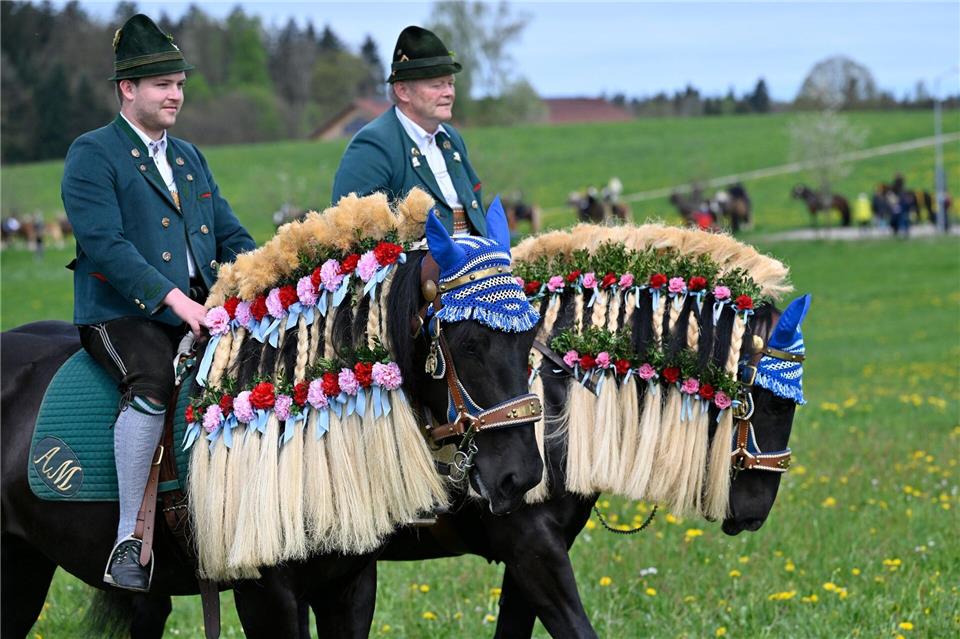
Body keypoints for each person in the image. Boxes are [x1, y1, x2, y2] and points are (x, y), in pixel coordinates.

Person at [61, 14, 255, 592]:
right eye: (163, 85)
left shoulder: (190, 156)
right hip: (120, 313)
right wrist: (176, 302)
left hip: (200, 305)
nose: (176, 95)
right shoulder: (92, 153)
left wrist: (263, 278)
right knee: (150, 379)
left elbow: (230, 235)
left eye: (180, 84)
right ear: (128, 88)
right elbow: (106, 245)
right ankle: (128, 539)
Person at [331, 25, 486, 236]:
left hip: (474, 254)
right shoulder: (373, 145)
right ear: (403, 91)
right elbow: (352, 233)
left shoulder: (452, 138)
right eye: (437, 85)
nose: (449, 93)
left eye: (450, 83)